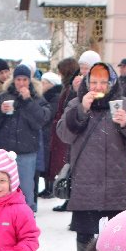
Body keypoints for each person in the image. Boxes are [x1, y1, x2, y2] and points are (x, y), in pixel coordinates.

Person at [57, 61, 126, 251]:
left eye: (103, 82)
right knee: (85, 235)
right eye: (94, 82)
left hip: (117, 186)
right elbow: (63, 134)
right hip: (85, 185)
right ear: (87, 83)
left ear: (112, 83)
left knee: (117, 237)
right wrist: (81, 110)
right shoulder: (76, 104)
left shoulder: (124, 104)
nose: (98, 87)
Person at [0, 64, 51, 211]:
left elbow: (42, 120)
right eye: (18, 79)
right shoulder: (2, 97)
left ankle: (27, 215)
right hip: (4, 153)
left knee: (26, 188)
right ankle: (2, 214)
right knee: (3, 188)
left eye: (24, 79)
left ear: (30, 81)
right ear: (13, 80)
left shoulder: (37, 98)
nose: (21, 83)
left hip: (26, 151)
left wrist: (28, 101)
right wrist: (0, 111)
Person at [47, 57, 80, 213]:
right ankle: (68, 199)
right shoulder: (68, 87)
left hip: (67, 131)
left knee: (68, 167)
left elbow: (67, 109)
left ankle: (70, 200)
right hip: (64, 129)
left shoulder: (71, 88)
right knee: (67, 167)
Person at [37, 71, 62, 198]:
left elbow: (50, 114)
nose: (42, 85)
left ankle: (50, 188)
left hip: (51, 133)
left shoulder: (54, 97)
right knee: (47, 161)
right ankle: (47, 188)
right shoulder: (47, 96)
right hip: (47, 132)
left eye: (44, 83)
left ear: (52, 84)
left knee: (50, 162)